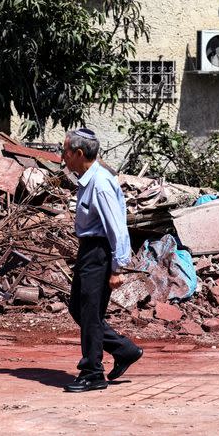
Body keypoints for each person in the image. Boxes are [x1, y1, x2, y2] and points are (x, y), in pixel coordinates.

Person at [61, 128, 143, 393]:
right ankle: (124, 350)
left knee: (90, 313)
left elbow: (117, 227)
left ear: (79, 153)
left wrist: (117, 267)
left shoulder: (101, 182)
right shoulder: (88, 179)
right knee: (79, 309)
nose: (63, 157)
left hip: (100, 252)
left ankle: (92, 372)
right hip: (89, 251)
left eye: (66, 152)